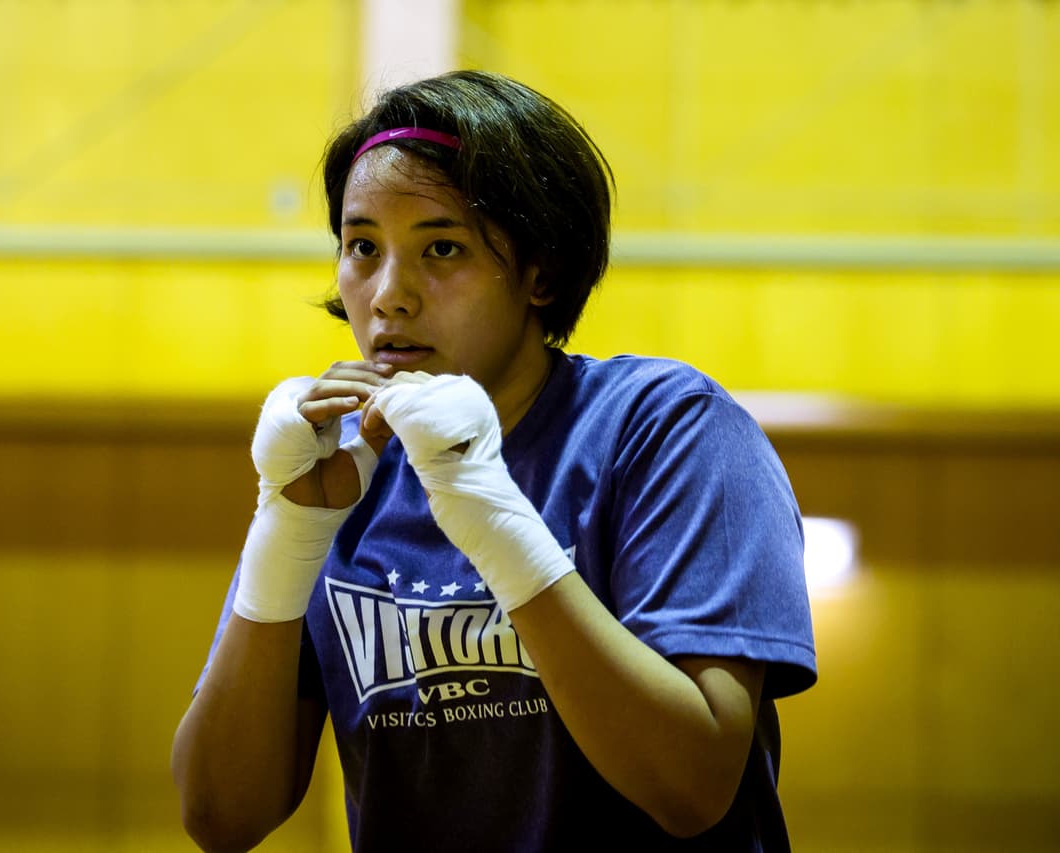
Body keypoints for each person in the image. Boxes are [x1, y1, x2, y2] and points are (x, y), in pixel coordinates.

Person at [171, 69, 817, 852]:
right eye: (361, 246)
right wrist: (286, 529)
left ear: (541, 270)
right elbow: (221, 816)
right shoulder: (339, 471)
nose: (387, 295)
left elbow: (691, 785)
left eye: (441, 247)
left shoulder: (666, 428)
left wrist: (482, 503)